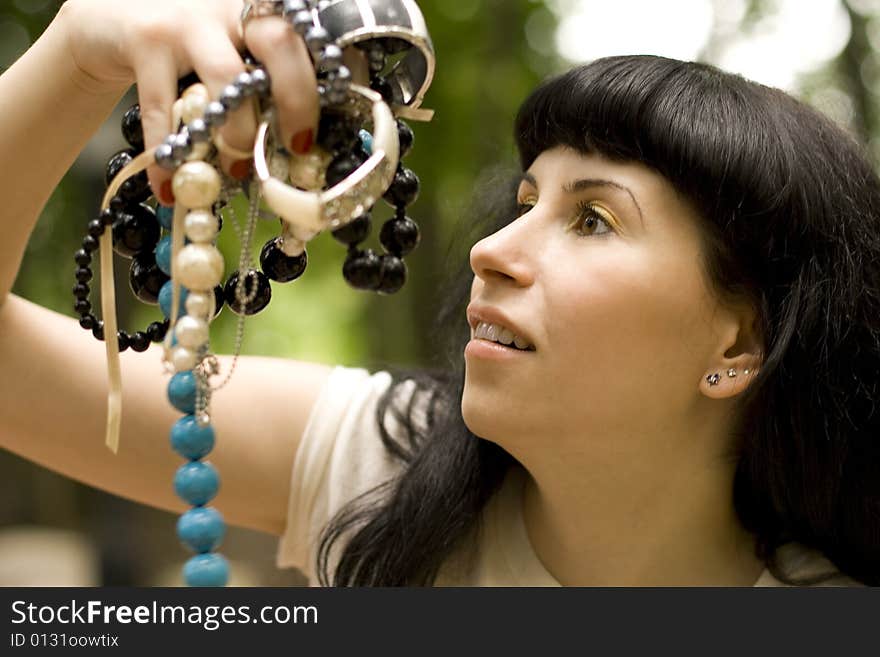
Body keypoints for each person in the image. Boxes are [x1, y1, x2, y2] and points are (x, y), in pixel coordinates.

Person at [0, 0, 876, 587]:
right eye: (525, 201)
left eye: (595, 220)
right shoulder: (379, 467)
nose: (492, 249)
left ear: (738, 345)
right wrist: (78, 51)